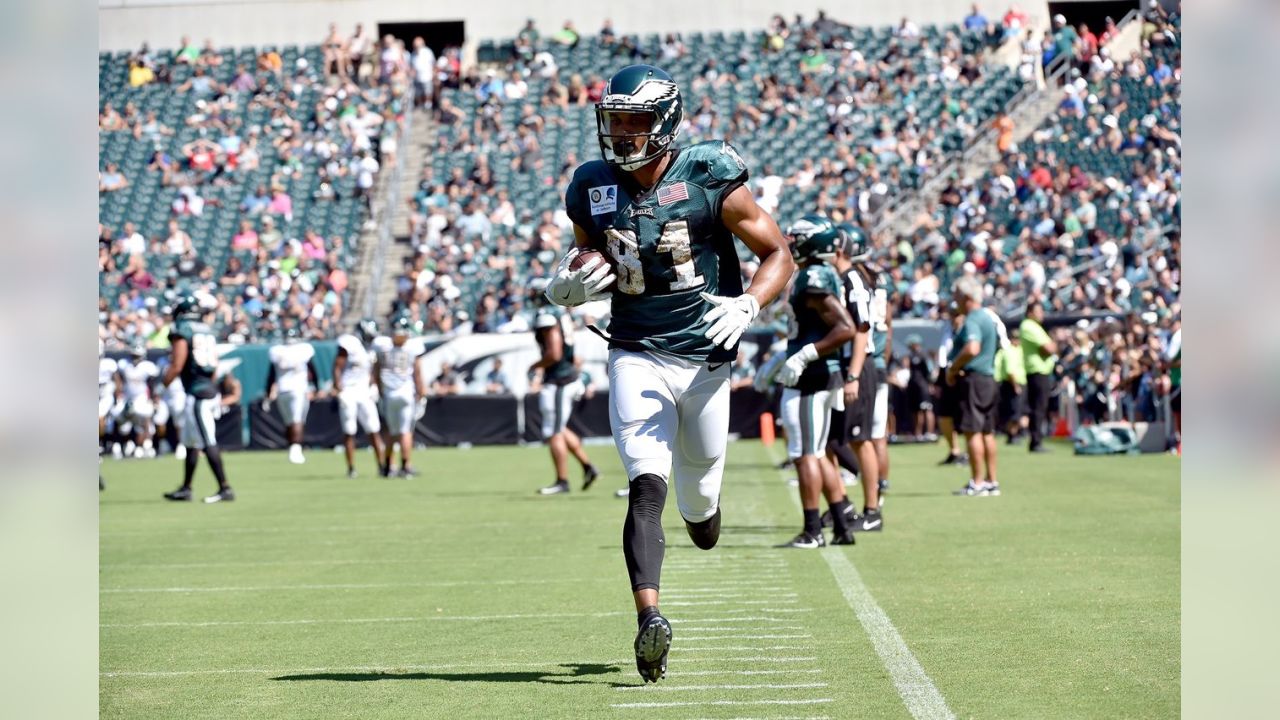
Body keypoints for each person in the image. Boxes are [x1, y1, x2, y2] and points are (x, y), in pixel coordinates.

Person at [544, 64, 794, 684]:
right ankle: (649, 618)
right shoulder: (592, 184)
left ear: (665, 121)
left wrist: (750, 303)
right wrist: (569, 282)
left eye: (635, 121)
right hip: (634, 350)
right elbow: (587, 250)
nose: (623, 134)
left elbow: (778, 253)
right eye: (615, 121)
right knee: (644, 486)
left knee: (700, 505)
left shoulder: (708, 173)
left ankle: (704, 512)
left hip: (706, 357)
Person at [776, 215, 856, 548]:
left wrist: (805, 355)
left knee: (805, 453)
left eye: (798, 237)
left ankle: (813, 530)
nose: (792, 241)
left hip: (813, 376)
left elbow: (845, 327)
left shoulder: (813, 276)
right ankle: (840, 524)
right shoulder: (818, 273)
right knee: (818, 453)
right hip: (819, 374)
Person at [831, 223, 882, 532]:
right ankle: (844, 502)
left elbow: (862, 329)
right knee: (835, 440)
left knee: (860, 439)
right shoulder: (843, 278)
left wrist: (853, 374)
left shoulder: (852, 279)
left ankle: (873, 509)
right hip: (847, 365)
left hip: (858, 366)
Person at [162, 296, 234, 503]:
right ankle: (186, 488)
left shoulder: (182, 329)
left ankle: (225, 488)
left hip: (198, 393)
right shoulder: (206, 329)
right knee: (191, 442)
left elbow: (177, 364)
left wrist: (161, 386)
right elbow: (214, 365)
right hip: (206, 388)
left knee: (206, 440)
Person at [529, 290, 600, 495]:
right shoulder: (562, 314)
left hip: (559, 381)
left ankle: (562, 481)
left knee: (554, 431)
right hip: (563, 377)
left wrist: (535, 366)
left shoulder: (548, 315)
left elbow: (555, 353)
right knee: (558, 428)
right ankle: (588, 467)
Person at [947, 277, 1002, 496]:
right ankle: (991, 481)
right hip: (988, 378)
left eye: (957, 296)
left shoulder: (973, 319)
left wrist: (953, 368)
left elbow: (972, 348)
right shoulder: (988, 318)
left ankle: (977, 482)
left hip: (974, 379)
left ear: (967, 297)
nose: (955, 300)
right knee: (987, 432)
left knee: (973, 431)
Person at [373, 313, 427, 478]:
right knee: (405, 432)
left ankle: (389, 466)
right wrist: (421, 392)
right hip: (405, 393)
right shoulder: (412, 347)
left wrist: (380, 390)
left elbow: (376, 371)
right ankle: (406, 465)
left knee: (391, 431)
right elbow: (417, 373)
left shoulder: (382, 346)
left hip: (389, 394)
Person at [333, 319, 386, 479]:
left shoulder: (371, 349)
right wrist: (338, 388)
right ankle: (351, 468)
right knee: (349, 431)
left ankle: (382, 466)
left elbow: (372, 371)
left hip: (364, 392)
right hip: (349, 391)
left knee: (374, 429)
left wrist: (374, 385)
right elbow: (337, 366)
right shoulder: (350, 344)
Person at [265, 327, 317, 464]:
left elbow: (270, 375)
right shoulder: (303, 350)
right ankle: (296, 449)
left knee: (290, 421)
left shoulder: (278, 351)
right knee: (296, 420)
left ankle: (293, 449)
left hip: (283, 390)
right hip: (298, 389)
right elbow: (313, 370)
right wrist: (316, 387)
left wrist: (268, 391)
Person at [1020, 300, 1056, 452]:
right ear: (1030, 312)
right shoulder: (1029, 326)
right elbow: (1049, 348)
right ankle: (1036, 441)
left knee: (1040, 407)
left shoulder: (1035, 327)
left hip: (1041, 370)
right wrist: (1050, 347)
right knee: (1038, 407)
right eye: (1038, 311)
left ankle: (1037, 439)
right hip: (1037, 370)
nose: (1041, 314)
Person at [936, 303, 969, 465]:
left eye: (957, 314)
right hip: (947, 374)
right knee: (944, 416)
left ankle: (970, 453)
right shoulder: (947, 330)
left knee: (967, 416)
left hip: (963, 375)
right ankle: (954, 450)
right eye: (952, 314)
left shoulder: (968, 330)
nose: (954, 318)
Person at [116, 342, 160, 458]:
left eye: (137, 356)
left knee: (145, 419)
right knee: (120, 419)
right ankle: (126, 444)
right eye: (133, 356)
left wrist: (154, 399)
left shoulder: (147, 367)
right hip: (127, 398)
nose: (135, 358)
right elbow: (119, 380)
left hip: (142, 398)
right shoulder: (124, 364)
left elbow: (152, 384)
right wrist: (119, 394)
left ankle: (144, 445)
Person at [995, 327, 1028, 443]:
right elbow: (1010, 371)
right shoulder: (1008, 351)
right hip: (1012, 384)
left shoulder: (1019, 350)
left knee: (1019, 411)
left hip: (1021, 382)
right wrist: (1015, 386)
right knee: (1013, 412)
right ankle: (1011, 435)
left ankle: (1017, 433)